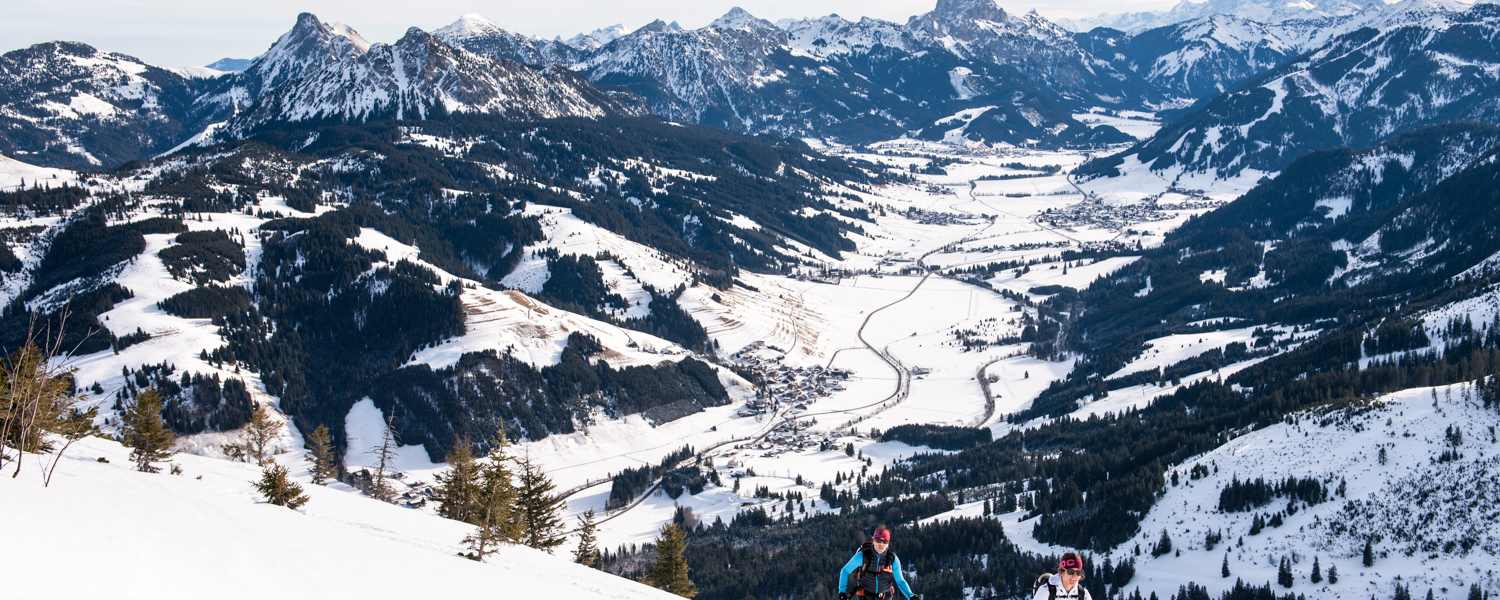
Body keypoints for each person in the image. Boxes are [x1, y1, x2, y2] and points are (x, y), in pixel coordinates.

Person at [837, 526, 920, 600]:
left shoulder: (892, 559)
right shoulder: (863, 556)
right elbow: (845, 571)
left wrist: (910, 596)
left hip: (885, 596)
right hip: (865, 596)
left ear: (888, 544)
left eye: (884, 542)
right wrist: (842, 593)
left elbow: (900, 581)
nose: (881, 544)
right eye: (878, 541)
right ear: (873, 540)